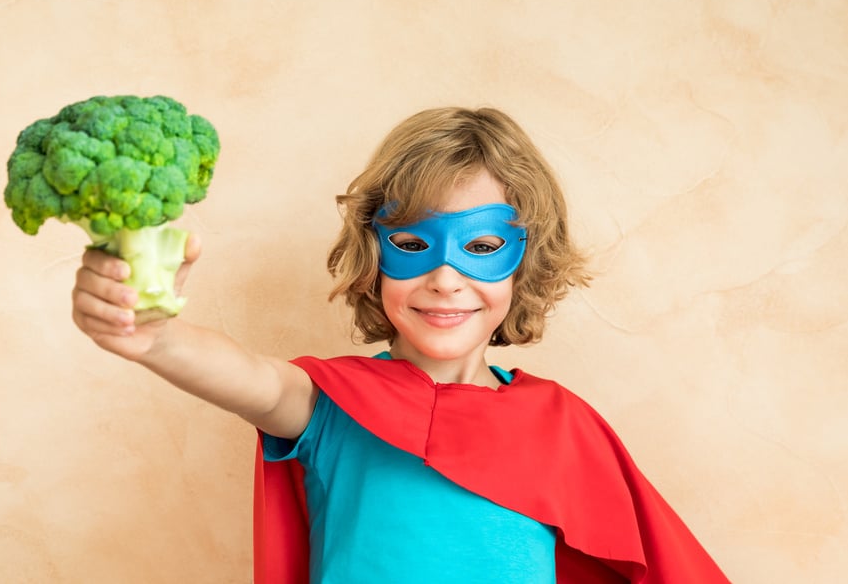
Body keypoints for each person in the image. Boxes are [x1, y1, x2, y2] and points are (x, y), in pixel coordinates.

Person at [71, 107, 731, 583]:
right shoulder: (332, 405)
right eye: (413, 246)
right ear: (374, 255)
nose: (445, 279)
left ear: (523, 263)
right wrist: (154, 334)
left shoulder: (563, 426)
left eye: (480, 247)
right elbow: (257, 382)